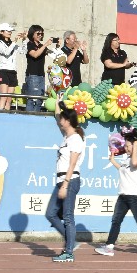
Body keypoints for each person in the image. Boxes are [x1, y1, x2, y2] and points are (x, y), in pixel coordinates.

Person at [94, 128, 137, 258]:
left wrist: (135, 148)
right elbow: (123, 170)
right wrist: (113, 161)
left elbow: (135, 163)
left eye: (128, 146)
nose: (126, 148)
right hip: (123, 196)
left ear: (135, 146)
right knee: (116, 221)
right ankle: (109, 247)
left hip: (134, 196)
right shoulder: (127, 159)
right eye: (126, 146)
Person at [46, 106, 85, 262]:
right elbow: (57, 117)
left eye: (63, 118)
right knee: (51, 213)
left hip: (70, 180)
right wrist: (58, 102)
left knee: (68, 217)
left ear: (68, 121)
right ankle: (71, 242)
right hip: (61, 180)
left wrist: (66, 184)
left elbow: (73, 163)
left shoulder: (76, 139)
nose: (60, 121)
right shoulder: (66, 137)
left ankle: (69, 252)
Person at [0, 23, 24, 111]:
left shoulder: (13, 44)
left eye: (10, 31)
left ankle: (6, 114)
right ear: (1, 32)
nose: (10, 32)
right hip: (3, 71)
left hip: (13, 72)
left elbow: (24, 51)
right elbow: (6, 52)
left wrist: (24, 40)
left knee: (9, 99)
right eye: (8, 31)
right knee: (3, 96)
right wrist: (15, 41)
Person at [24, 25, 52, 112]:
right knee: (32, 99)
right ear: (32, 34)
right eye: (38, 33)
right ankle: (29, 117)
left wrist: (57, 46)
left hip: (41, 75)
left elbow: (52, 54)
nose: (40, 35)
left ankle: (36, 115)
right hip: (33, 75)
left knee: (40, 99)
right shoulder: (29, 44)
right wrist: (45, 45)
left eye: (42, 34)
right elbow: (35, 54)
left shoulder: (41, 45)